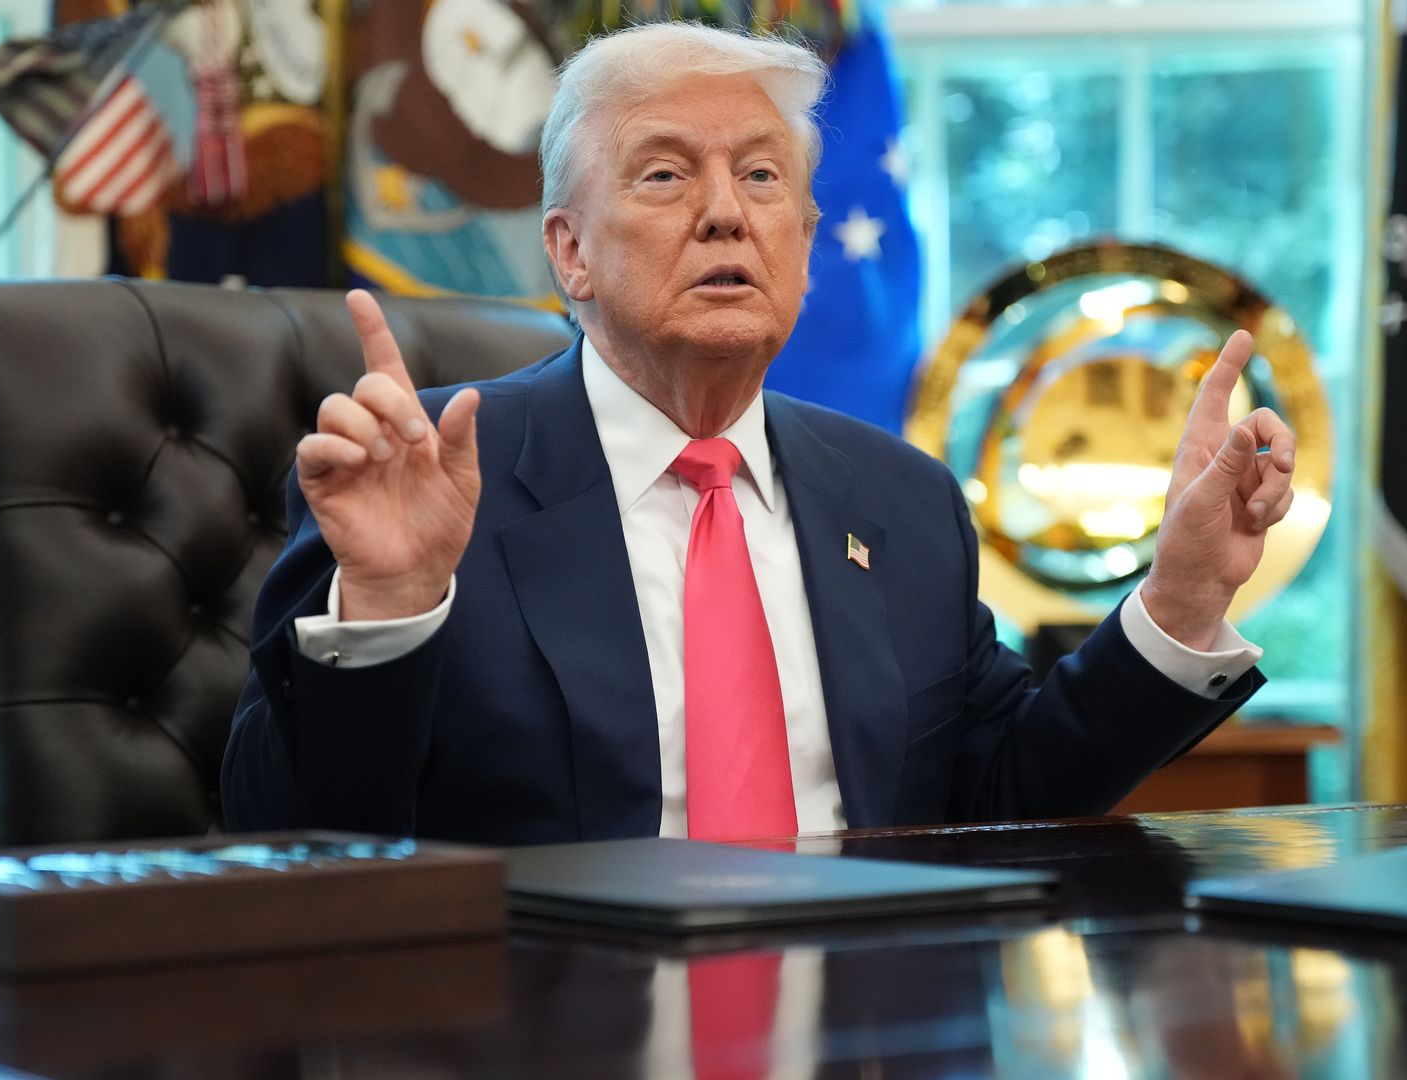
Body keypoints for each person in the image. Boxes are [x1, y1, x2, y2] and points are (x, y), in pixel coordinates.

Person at [221, 23, 1297, 845]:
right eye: (664, 173)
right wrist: (391, 609)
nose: (726, 212)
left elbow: (1006, 796)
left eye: (762, 176)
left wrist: (1182, 600)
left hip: (865, 1017)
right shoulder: (432, 478)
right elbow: (285, 838)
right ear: (570, 252)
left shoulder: (902, 500)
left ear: (805, 242)